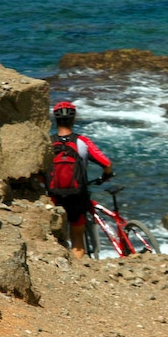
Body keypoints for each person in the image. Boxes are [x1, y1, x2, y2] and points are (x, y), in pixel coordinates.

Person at [49, 101, 113, 259]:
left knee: (54, 237)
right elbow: (106, 164)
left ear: (55, 120)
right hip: (77, 196)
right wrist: (106, 176)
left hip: (54, 196)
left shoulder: (48, 142)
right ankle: (75, 268)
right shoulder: (82, 141)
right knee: (77, 238)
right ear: (74, 119)